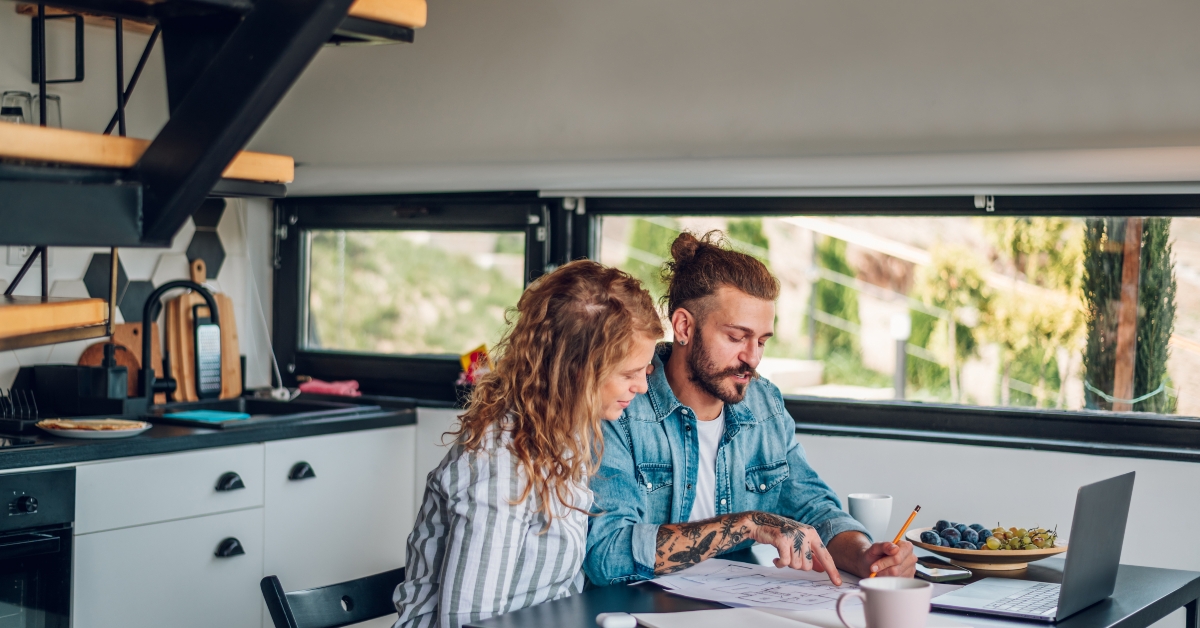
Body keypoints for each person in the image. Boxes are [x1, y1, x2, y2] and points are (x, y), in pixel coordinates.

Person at [584, 231, 916, 587]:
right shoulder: (622, 406)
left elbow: (814, 509)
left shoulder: (764, 405)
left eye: (761, 341)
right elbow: (608, 553)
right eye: (736, 337)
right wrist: (745, 525)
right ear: (684, 326)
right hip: (636, 607)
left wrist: (865, 555)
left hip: (736, 603)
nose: (753, 358)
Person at [394, 260, 664, 628]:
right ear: (576, 370)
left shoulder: (566, 437)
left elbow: (557, 594)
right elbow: (470, 622)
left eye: (645, 371)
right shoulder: (500, 465)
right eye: (628, 373)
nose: (643, 387)